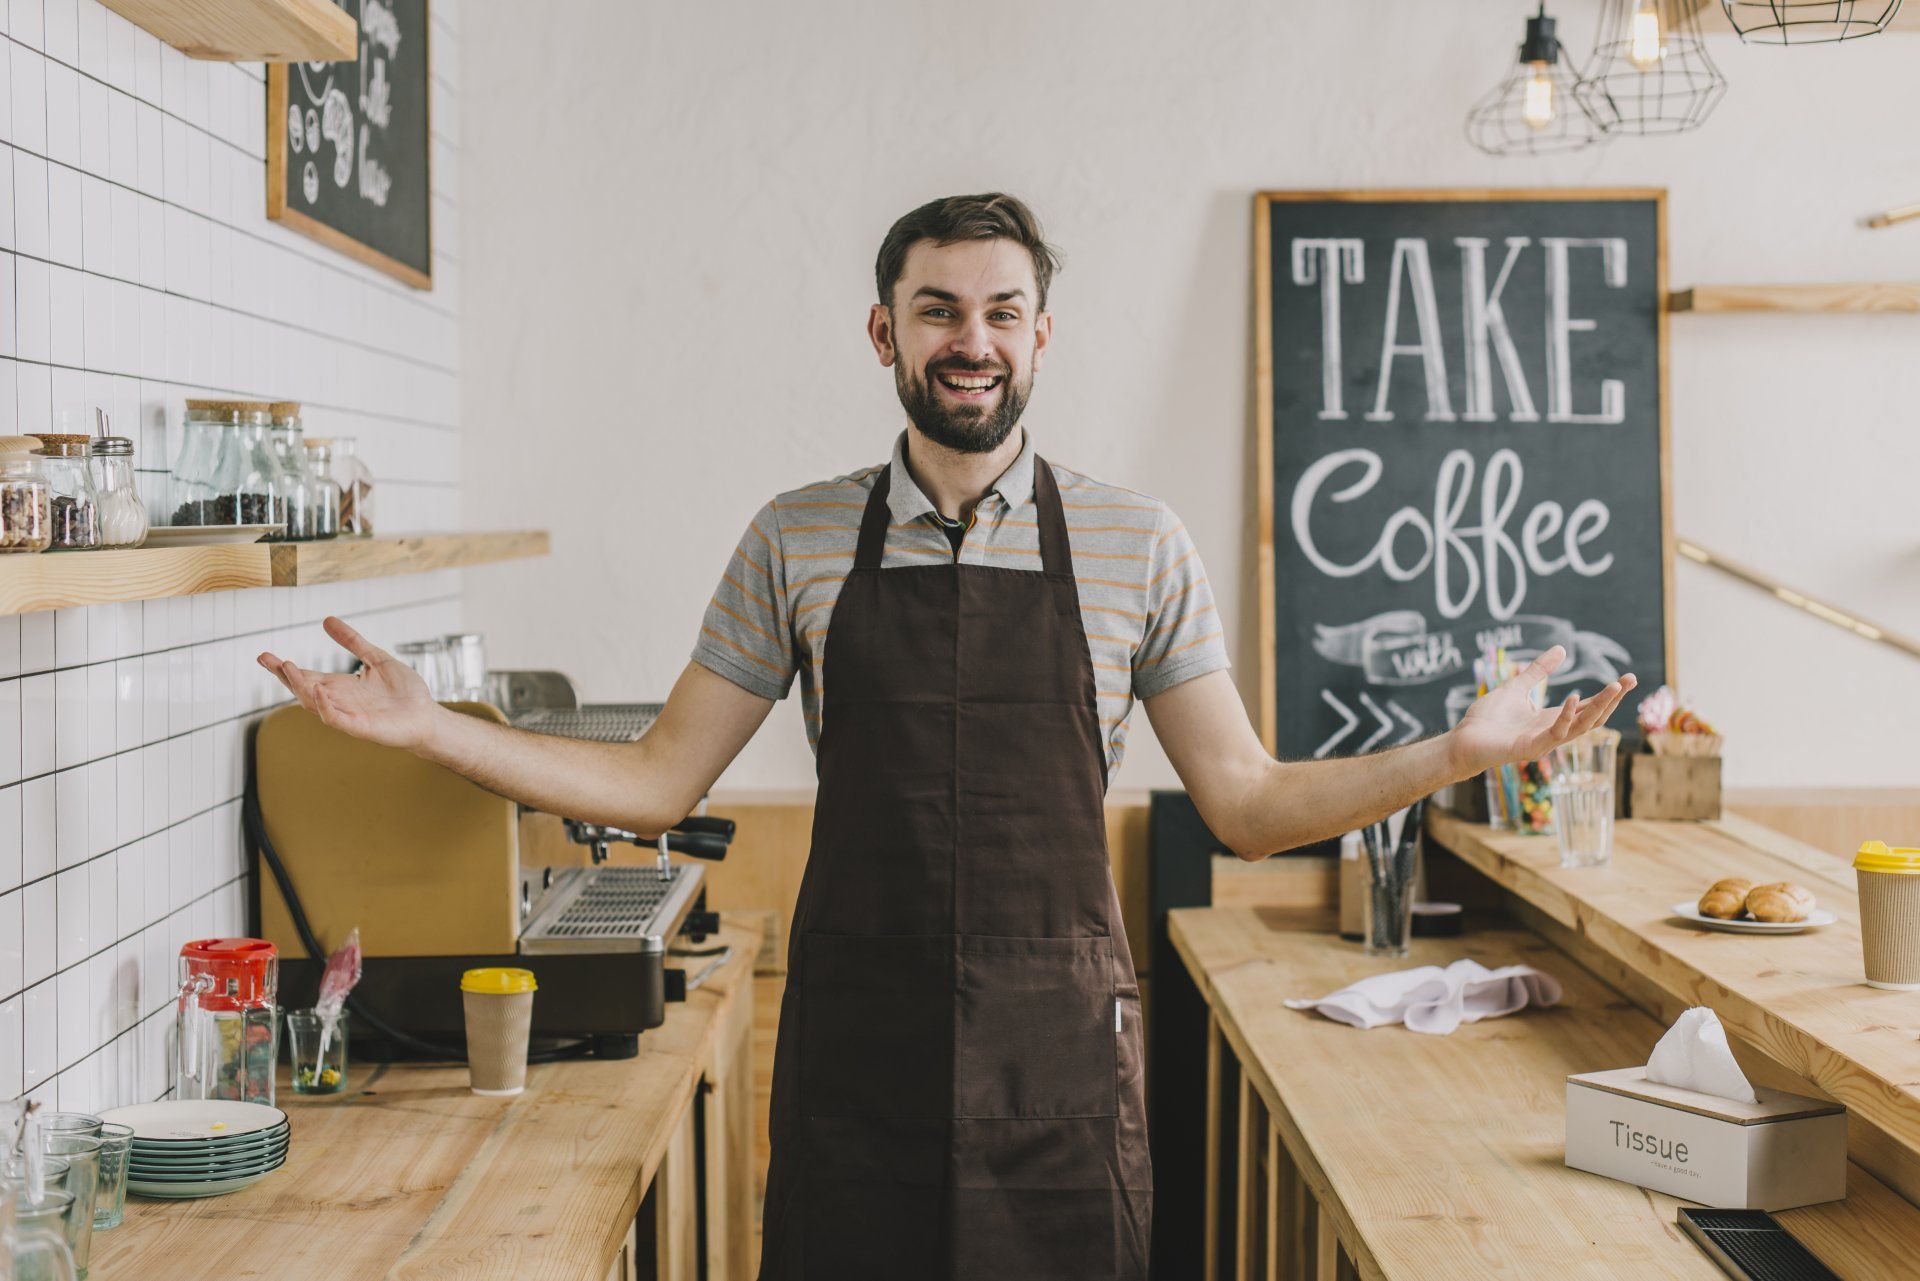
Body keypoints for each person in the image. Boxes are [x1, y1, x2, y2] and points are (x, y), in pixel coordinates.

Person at [257, 192, 1634, 1280]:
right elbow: (656, 778)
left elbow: (1253, 803)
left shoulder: (1135, 541)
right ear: (884, 333)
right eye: (937, 310)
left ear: (1043, 336)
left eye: (1000, 311)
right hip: (861, 1046)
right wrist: (439, 729)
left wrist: (1455, 754)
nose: (969, 338)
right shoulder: (796, 536)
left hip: (1060, 1057)